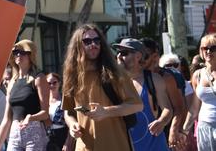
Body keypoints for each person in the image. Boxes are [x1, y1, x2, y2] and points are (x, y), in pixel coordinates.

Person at [61, 23, 142, 151]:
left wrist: (106, 111)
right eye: (87, 41)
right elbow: (68, 112)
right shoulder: (72, 76)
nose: (93, 44)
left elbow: (137, 105)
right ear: (78, 45)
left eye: (96, 40)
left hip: (115, 145)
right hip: (84, 146)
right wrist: (72, 125)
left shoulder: (115, 72)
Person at [114, 38, 172, 151]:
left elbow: (168, 108)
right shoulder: (115, 82)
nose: (119, 56)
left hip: (154, 146)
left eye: (124, 53)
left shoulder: (153, 79)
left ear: (138, 56)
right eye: (118, 52)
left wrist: (162, 121)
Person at [0, 39, 49, 151]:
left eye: (23, 52)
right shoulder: (12, 82)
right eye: (16, 53)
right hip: (14, 132)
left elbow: (45, 113)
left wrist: (31, 117)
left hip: (33, 131)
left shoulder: (38, 78)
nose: (18, 55)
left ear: (31, 55)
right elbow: (6, 119)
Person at [141, 38, 187, 149]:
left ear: (155, 56)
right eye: (138, 54)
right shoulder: (134, 76)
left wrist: (174, 131)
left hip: (165, 131)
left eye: (145, 54)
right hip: (144, 132)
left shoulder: (167, 77)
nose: (140, 58)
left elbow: (179, 108)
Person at [185, 33, 216, 151]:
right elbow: (194, 108)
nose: (208, 51)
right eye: (205, 48)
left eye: (213, 48)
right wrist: (184, 131)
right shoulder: (197, 75)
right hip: (204, 129)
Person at [46, 72, 68, 151]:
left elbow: (69, 123)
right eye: (49, 83)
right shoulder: (43, 101)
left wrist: (67, 142)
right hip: (47, 136)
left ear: (59, 83)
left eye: (54, 82)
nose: (52, 85)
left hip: (62, 135)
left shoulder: (64, 100)